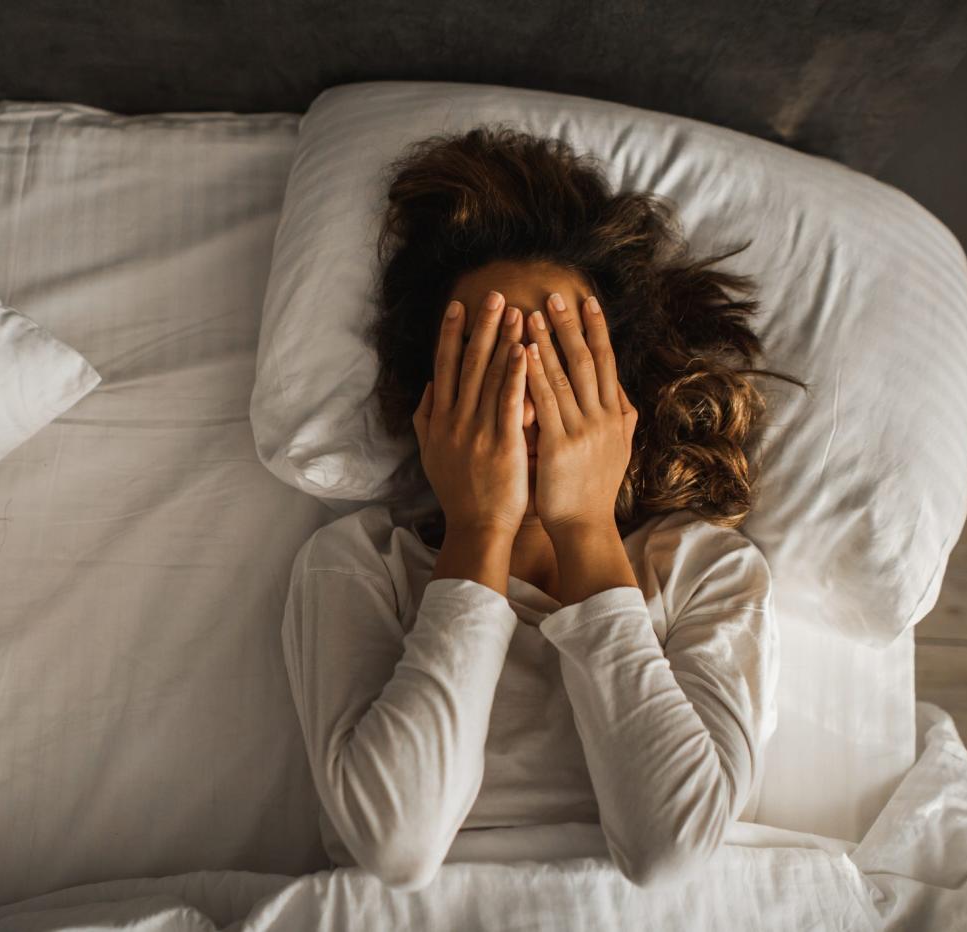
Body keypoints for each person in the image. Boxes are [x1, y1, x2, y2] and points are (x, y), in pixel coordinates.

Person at [280, 125, 810, 893]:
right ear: (428, 400)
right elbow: (398, 843)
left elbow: (671, 849)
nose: (528, 405)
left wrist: (585, 529)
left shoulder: (703, 569)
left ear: (617, 396)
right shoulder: (359, 564)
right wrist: (479, 531)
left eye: (562, 364)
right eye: (488, 364)